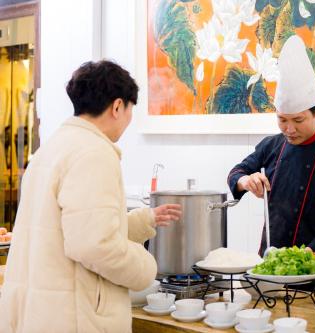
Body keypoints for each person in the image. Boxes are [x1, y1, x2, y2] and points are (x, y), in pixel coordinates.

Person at [0, 60, 181, 333]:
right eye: (131, 109)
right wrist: (147, 267)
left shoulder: (53, 147)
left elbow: (72, 228)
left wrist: (146, 219)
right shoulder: (94, 153)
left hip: (41, 312)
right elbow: (94, 245)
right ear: (117, 106)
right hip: (74, 316)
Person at [227, 36, 315, 255]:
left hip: (313, 263)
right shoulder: (271, 146)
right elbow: (236, 172)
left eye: (298, 121)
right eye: (282, 120)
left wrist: (307, 253)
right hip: (269, 260)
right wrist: (246, 180)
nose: (289, 129)